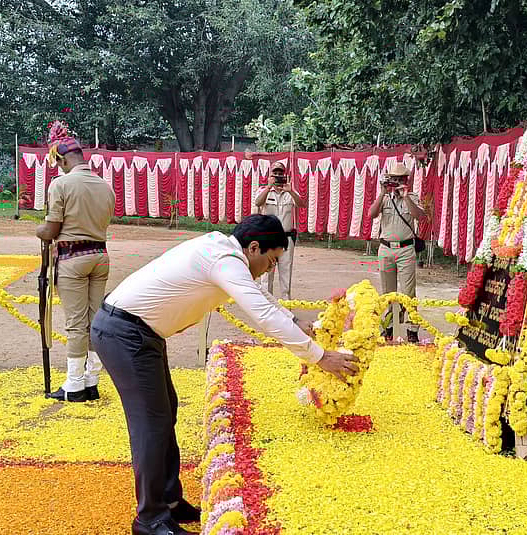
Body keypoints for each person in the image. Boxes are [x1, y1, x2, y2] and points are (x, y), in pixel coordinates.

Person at [90, 215, 360, 535]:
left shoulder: (224, 253)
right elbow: (260, 312)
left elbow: (260, 298)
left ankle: (170, 501)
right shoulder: (225, 260)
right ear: (254, 247)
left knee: (165, 412)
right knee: (151, 423)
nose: (271, 269)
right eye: (272, 260)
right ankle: (149, 519)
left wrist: (294, 320)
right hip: (125, 333)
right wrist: (320, 357)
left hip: (138, 333)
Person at [36, 122, 115, 402]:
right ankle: (92, 381)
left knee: (75, 324)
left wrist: (39, 231)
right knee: (94, 321)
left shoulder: (61, 184)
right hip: (100, 256)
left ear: (64, 159)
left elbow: (52, 230)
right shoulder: (105, 186)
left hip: (73, 258)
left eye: (57, 161)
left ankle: (74, 385)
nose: (57, 166)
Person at [367, 162, 425, 342]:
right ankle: (389, 326)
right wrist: (383, 192)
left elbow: (420, 217)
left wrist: (405, 196)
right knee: (387, 292)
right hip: (386, 248)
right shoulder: (384, 198)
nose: (397, 182)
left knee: (409, 292)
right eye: (394, 179)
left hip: (406, 249)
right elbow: (371, 214)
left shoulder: (412, 197)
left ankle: (412, 329)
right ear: (389, 179)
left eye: (401, 179)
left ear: (406, 180)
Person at [254, 162, 306, 298]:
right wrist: (268, 187)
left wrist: (290, 191)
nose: (277, 176)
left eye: (280, 173)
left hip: (286, 239)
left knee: (285, 275)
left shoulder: (290, 191)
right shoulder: (263, 190)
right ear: (270, 175)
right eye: (275, 173)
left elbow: (302, 204)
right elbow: (258, 203)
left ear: (284, 175)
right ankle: (268, 310)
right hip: (268, 239)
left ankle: (286, 309)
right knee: (266, 276)